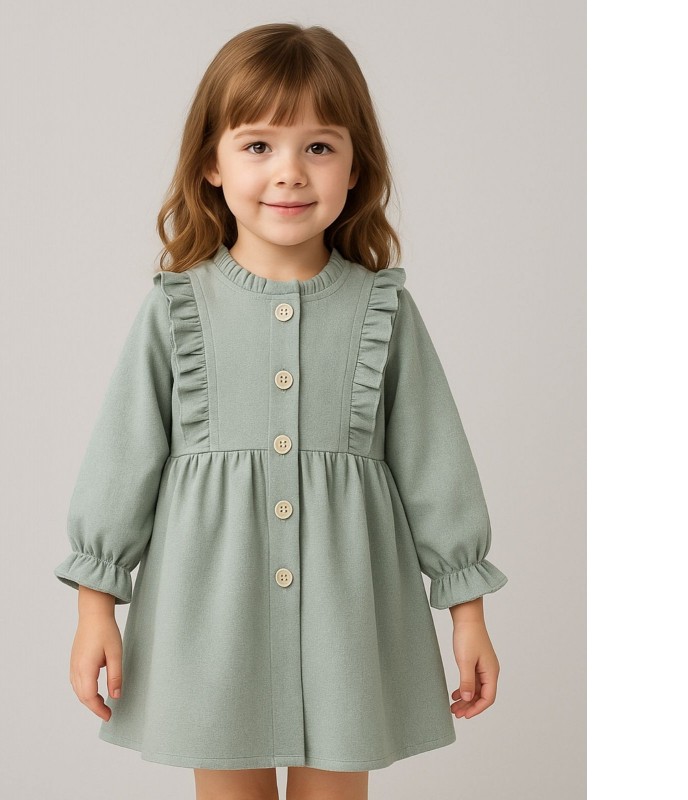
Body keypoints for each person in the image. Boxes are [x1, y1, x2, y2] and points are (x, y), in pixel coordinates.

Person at [54, 21, 509, 800]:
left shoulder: (382, 310)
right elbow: (119, 459)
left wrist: (468, 613)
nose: (290, 172)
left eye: (319, 147)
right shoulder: (177, 309)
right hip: (211, 619)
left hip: (348, 620)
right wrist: (96, 609)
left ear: (356, 166)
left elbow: (437, 463)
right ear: (212, 162)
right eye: (259, 145)